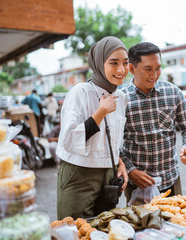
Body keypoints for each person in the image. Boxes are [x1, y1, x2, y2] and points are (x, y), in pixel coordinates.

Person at [56, 36, 129, 219]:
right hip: (79, 172)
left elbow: (112, 138)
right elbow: (69, 141)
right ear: (98, 63)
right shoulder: (80, 92)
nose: (121, 70)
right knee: (75, 230)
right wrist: (100, 112)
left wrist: (119, 163)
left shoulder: (121, 97)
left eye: (125, 63)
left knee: (103, 230)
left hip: (109, 172)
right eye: (113, 63)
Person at [121, 42, 186, 203]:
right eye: (148, 69)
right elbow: (111, 144)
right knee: (141, 227)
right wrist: (131, 170)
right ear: (132, 69)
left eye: (158, 68)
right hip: (138, 183)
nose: (154, 74)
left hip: (170, 179)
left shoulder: (174, 92)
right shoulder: (121, 99)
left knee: (175, 225)